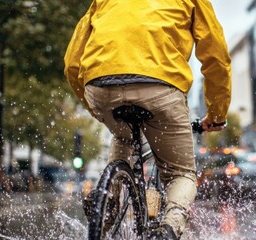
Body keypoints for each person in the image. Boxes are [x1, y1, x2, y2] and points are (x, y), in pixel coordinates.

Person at [64, 0, 231, 239]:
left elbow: (72, 62)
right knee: (180, 174)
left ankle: (109, 199)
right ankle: (168, 228)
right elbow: (216, 55)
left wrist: (96, 108)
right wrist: (216, 114)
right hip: (160, 86)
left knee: (122, 134)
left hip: (99, 83)